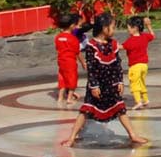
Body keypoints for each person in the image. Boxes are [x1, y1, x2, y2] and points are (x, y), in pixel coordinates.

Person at [60, 14, 149, 147]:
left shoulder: (113, 44)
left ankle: (133, 135)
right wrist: (94, 86)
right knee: (86, 111)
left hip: (111, 83)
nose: (114, 30)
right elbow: (92, 68)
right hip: (97, 86)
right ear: (104, 28)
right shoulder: (91, 45)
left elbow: (117, 64)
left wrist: (119, 81)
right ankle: (72, 137)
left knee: (120, 109)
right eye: (112, 27)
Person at [53, 11, 85, 109]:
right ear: (71, 26)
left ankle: (60, 97)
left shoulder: (58, 37)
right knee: (72, 80)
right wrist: (83, 62)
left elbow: (57, 48)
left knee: (62, 80)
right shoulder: (73, 39)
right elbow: (78, 52)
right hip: (70, 62)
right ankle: (69, 98)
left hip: (61, 62)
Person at [122, 15, 155, 109]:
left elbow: (121, 47)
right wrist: (149, 26)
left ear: (134, 28)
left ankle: (138, 101)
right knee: (142, 82)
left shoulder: (130, 41)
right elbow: (152, 35)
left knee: (134, 83)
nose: (127, 30)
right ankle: (145, 99)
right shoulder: (144, 36)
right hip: (144, 66)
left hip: (135, 66)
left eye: (128, 27)